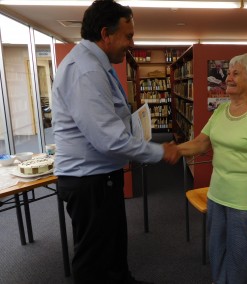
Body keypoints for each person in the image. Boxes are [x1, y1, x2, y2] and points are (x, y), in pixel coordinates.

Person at [51, 1, 178, 283]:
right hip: (89, 181)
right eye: (128, 36)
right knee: (94, 261)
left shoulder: (96, 64)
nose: (132, 44)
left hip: (100, 177)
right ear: (106, 34)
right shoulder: (86, 70)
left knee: (113, 247)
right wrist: (158, 151)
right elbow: (108, 139)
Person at [178, 53, 247, 283]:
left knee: (244, 258)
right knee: (217, 250)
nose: (228, 77)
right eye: (229, 72)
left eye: (236, 73)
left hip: (243, 202)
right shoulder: (221, 111)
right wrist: (173, 150)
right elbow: (201, 143)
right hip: (216, 196)